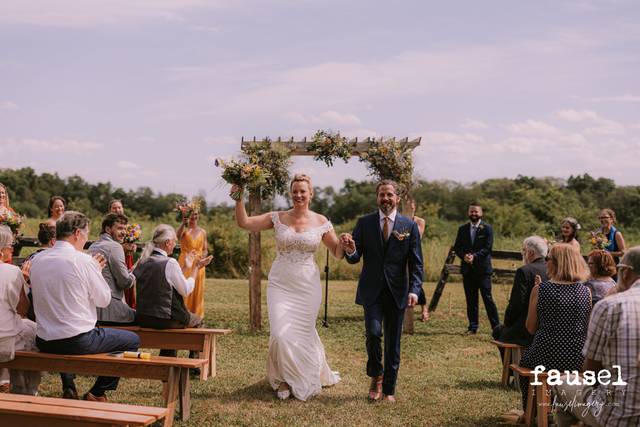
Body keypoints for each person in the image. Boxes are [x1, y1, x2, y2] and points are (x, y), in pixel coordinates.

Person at [231, 174, 342, 401]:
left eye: (303, 191)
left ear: (311, 194)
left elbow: (338, 252)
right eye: (295, 191)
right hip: (280, 284)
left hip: (307, 286)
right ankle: (282, 378)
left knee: (302, 332)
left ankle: (306, 373)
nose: (299, 195)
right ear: (290, 193)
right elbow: (244, 223)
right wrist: (238, 198)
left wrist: (347, 245)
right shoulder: (278, 217)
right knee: (281, 334)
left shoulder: (321, 221)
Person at [30, 211, 140, 401]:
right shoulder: (84, 261)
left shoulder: (37, 259)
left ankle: (79, 387)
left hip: (44, 339)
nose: (86, 239)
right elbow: (104, 300)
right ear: (77, 233)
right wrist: (96, 271)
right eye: (86, 234)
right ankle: (97, 392)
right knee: (132, 340)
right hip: (76, 339)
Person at [340, 179, 424, 403]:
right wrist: (350, 248)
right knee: (374, 333)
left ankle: (389, 388)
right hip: (372, 291)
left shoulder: (409, 226)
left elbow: (416, 263)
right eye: (381, 195)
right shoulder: (364, 223)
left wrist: (415, 290)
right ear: (376, 198)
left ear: (397, 198)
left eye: (389, 195)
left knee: (393, 343)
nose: (385, 199)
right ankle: (376, 375)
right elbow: (354, 257)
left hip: (398, 292)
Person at [554, 246, 640, 427]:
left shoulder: (609, 306)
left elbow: (591, 373)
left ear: (625, 273)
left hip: (617, 416)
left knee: (562, 382)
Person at [517, 244, 591, 419]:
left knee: (525, 365)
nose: (546, 263)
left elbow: (531, 327)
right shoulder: (585, 291)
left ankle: (532, 412)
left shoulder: (540, 289)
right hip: (577, 358)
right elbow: (586, 326)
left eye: (548, 259)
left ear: (557, 263)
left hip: (545, 354)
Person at [133, 224, 212, 358]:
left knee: (177, 319)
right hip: (164, 319)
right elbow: (186, 290)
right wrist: (196, 268)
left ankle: (168, 359)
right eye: (174, 241)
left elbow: (168, 280)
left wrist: (186, 267)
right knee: (198, 321)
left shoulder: (142, 261)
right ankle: (194, 366)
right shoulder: (170, 262)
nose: (175, 244)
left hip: (143, 317)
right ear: (168, 242)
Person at [0, 225, 41, 395]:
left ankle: (15, 385)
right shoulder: (12, 272)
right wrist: (23, 280)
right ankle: (28, 390)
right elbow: (22, 309)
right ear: (2, 250)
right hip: (4, 344)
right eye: (11, 246)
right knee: (36, 332)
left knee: (25, 329)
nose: (13, 249)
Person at [492, 236, 548, 347]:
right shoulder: (552, 269)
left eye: (524, 250)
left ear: (531, 253)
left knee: (498, 331)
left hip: (526, 328)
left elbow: (517, 303)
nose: (522, 254)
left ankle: (511, 363)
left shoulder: (524, 271)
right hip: (546, 327)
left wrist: (507, 322)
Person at [453, 203, 500, 335]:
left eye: (476, 212)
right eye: (471, 211)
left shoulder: (487, 228)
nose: (473, 214)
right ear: (468, 213)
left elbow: (488, 248)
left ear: (481, 213)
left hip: (483, 270)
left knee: (488, 298)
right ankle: (472, 327)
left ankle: (496, 327)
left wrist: (474, 256)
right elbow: (457, 247)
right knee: (471, 300)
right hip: (468, 270)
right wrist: (464, 256)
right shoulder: (462, 229)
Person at [87, 214, 136, 325]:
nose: (124, 232)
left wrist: (129, 271)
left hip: (93, 310)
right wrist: (136, 272)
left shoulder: (93, 246)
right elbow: (125, 282)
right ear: (108, 229)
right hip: (111, 310)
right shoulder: (114, 246)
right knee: (142, 319)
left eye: (125, 229)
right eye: (119, 228)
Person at [177, 208, 209, 319]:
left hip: (198, 264)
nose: (193, 217)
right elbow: (177, 237)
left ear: (198, 215)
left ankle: (197, 316)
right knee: (184, 287)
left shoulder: (203, 232)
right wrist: (183, 223)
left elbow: (205, 249)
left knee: (197, 288)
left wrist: (203, 257)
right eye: (191, 214)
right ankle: (183, 314)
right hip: (185, 262)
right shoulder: (184, 230)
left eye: (195, 214)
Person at [108, 199, 136, 308]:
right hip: (114, 257)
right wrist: (122, 247)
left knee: (128, 282)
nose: (117, 210)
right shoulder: (109, 225)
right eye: (114, 208)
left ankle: (129, 306)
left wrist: (132, 246)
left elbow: (130, 240)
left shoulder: (127, 224)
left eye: (119, 207)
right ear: (110, 210)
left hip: (127, 257)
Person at [406, 196, 428, 322]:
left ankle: (424, 308)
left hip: (414, 254)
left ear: (414, 206)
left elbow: (417, 236)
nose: (410, 207)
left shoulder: (419, 221)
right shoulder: (398, 219)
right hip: (401, 255)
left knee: (416, 281)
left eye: (411, 205)